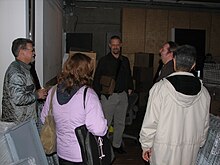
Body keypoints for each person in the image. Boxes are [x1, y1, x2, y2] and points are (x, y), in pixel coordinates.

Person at [139, 45, 210, 165]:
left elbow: (151, 121)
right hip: (190, 149)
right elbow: (205, 125)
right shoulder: (204, 93)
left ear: (174, 61)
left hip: (163, 149)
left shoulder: (160, 88)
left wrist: (146, 145)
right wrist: (199, 142)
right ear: (193, 65)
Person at [41, 53, 108, 165]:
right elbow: (99, 129)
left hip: (62, 153)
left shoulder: (53, 91)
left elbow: (44, 118)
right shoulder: (88, 94)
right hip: (82, 155)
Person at [93, 35, 134, 154]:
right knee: (106, 123)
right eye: (113, 44)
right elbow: (96, 78)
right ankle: (103, 147)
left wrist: (130, 87)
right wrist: (98, 95)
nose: (115, 47)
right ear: (110, 46)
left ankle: (116, 145)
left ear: (120, 45)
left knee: (120, 122)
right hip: (108, 97)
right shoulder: (104, 60)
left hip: (122, 95)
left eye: (117, 44)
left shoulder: (125, 60)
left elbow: (129, 75)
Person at [1, 38, 47, 124]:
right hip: (17, 124)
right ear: (22, 52)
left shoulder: (25, 68)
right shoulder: (16, 73)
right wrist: (37, 95)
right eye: (32, 50)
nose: (34, 54)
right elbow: (18, 98)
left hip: (25, 121)